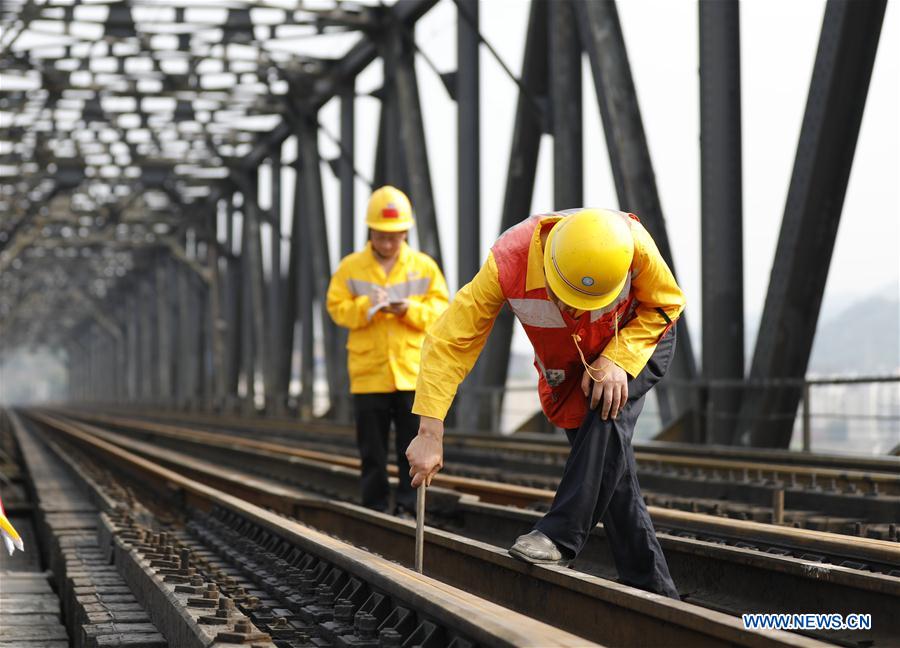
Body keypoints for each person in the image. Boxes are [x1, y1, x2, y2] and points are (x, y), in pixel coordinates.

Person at [406, 208, 683, 598]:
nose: (577, 311)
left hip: (637, 340)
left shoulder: (633, 243)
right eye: (568, 299)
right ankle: (654, 588)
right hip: (572, 365)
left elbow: (666, 303)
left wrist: (618, 357)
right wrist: (429, 431)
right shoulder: (509, 261)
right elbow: (450, 340)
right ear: (549, 267)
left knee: (606, 417)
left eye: (589, 302)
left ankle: (559, 536)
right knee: (609, 470)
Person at [327, 185, 449, 518]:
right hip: (369, 375)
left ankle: (408, 508)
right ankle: (375, 508)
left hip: (411, 373)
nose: (388, 243)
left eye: (395, 236)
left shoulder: (423, 267)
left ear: (405, 232)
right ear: (371, 231)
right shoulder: (351, 267)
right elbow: (336, 309)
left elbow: (443, 312)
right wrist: (368, 306)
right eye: (382, 236)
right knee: (372, 451)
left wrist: (407, 310)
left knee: (409, 448)